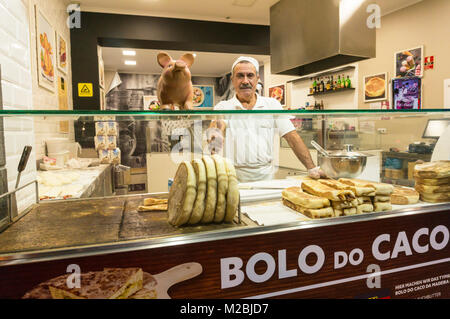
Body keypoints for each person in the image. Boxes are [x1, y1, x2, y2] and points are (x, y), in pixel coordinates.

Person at [207, 56, 326, 182]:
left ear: (257, 79)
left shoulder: (272, 105)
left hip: (265, 177)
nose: (245, 81)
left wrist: (311, 168)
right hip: (232, 176)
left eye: (250, 75)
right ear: (232, 79)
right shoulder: (223, 107)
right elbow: (214, 144)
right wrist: (216, 135)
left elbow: (292, 137)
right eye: (240, 76)